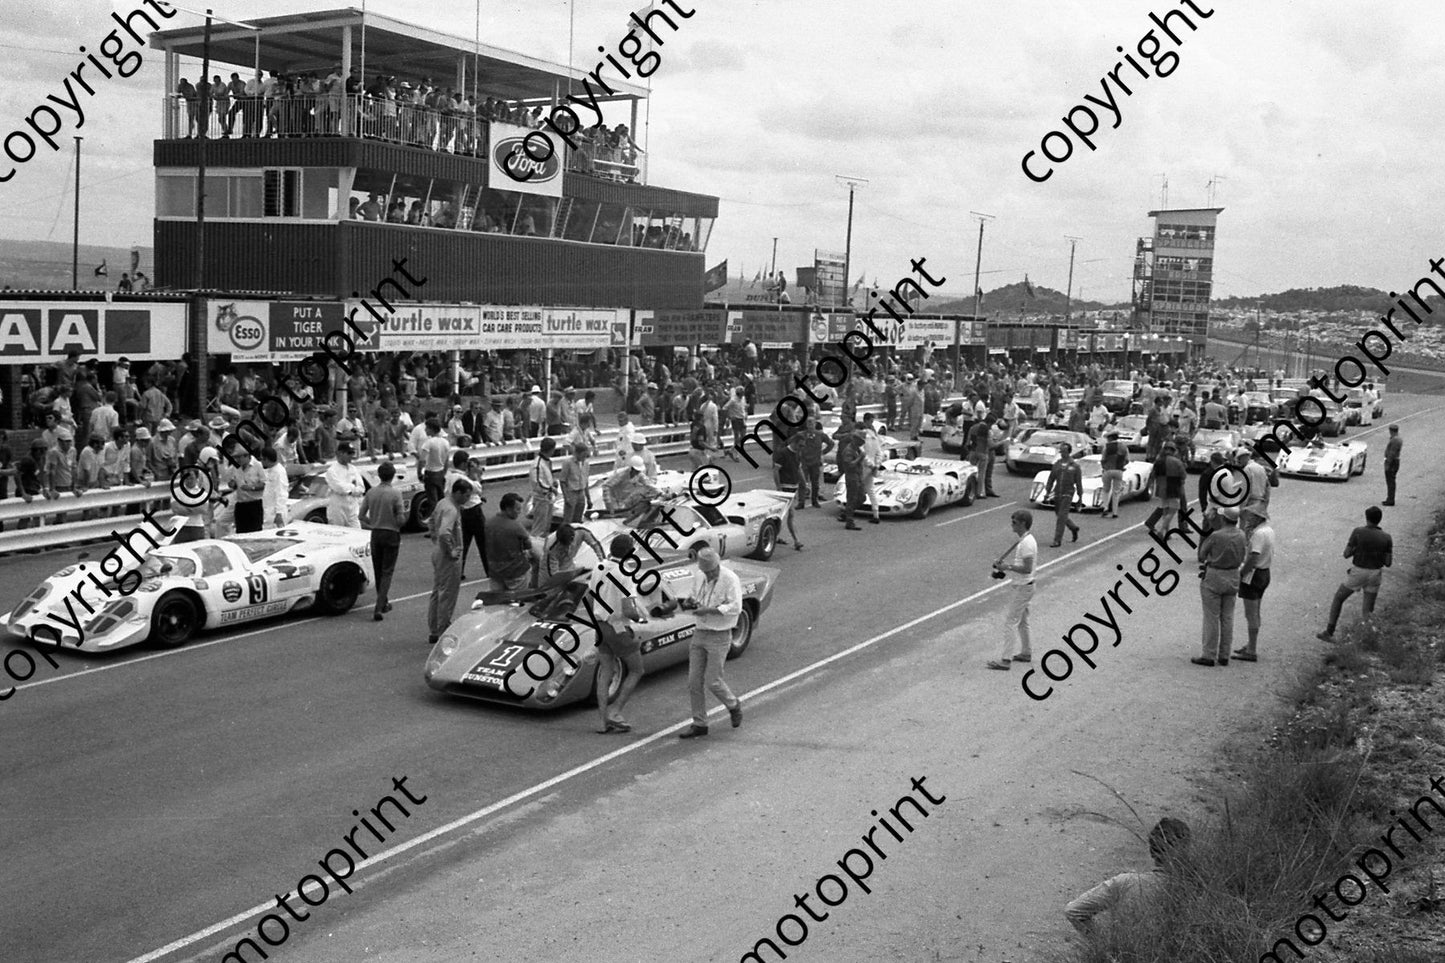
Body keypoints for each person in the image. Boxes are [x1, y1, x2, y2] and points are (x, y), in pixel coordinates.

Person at [1065, 817, 1192, 935]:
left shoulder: (1125, 882)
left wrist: (1104, 946)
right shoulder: (1195, 889)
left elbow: (1073, 911)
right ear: (1187, 850)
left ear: (1152, 851)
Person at [677, 548, 744, 739]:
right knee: (693, 681)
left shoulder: (730, 579)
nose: (709, 575)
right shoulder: (699, 576)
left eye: (712, 571)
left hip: (720, 635)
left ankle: (733, 705)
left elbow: (735, 607)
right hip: (700, 632)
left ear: (718, 565)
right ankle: (700, 723)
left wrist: (710, 610)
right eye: (706, 572)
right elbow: (694, 595)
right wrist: (690, 604)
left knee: (713, 680)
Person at [592, 534, 653, 734]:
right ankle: (615, 711)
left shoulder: (598, 567)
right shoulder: (624, 575)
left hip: (599, 624)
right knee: (636, 669)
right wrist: (640, 619)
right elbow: (628, 609)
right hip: (617, 626)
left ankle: (602, 720)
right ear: (630, 553)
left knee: (606, 671)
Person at [1317, 505, 1392, 642]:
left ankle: (1329, 631)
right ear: (1379, 520)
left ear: (1367, 518)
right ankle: (1366, 639)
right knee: (1367, 611)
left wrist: (1357, 550)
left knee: (1339, 598)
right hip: (1375, 573)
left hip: (1359, 571)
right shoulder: (1386, 537)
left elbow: (1346, 554)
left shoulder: (1358, 532)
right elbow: (1388, 562)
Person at [1192, 506, 1247, 667]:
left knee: (1211, 616)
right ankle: (1224, 653)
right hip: (1233, 575)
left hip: (1215, 574)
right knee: (1227, 616)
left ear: (1224, 519)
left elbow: (1202, 554)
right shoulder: (1241, 535)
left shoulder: (1216, 536)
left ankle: (1209, 653)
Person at [987, 510, 1037, 671]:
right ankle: (1026, 652)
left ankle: (1006, 660)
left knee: (1010, 622)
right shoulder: (1025, 540)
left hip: (1023, 586)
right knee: (1022, 621)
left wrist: (1006, 567)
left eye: (1014, 522)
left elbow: (1027, 568)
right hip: (1026, 585)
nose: (1012, 524)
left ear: (1023, 523)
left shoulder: (1026, 543)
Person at [359, 460, 406, 621]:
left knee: (378, 570)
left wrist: (373, 523)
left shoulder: (371, 492)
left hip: (376, 533)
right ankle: (379, 606)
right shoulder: (395, 494)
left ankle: (383, 601)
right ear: (392, 476)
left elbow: (361, 516)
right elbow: (400, 519)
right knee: (387, 571)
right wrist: (398, 521)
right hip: (391, 532)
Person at [425, 479, 468, 645]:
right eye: (466, 495)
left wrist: (435, 539)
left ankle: (434, 628)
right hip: (447, 555)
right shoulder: (451, 509)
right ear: (458, 493)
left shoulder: (442, 503)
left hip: (437, 551)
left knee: (437, 591)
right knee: (447, 593)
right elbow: (444, 532)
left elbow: (431, 522)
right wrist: (450, 549)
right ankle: (443, 628)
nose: (467, 499)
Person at [1233, 506, 1274, 662]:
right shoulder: (1269, 530)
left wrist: (1242, 572)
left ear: (1257, 517)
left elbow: (1254, 557)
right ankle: (1251, 644)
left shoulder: (1258, 534)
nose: (1248, 519)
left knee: (1251, 613)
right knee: (1255, 611)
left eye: (1251, 516)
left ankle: (1251, 650)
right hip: (1265, 572)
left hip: (1254, 574)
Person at [484, 492, 538, 591]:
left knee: (497, 600)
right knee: (519, 600)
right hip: (515, 572)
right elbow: (528, 546)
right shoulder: (516, 526)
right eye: (517, 509)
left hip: (495, 572)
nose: (519, 512)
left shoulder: (488, 524)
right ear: (508, 509)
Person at [450, 453, 487, 579]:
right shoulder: (464, 479)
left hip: (461, 512)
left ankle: (459, 571)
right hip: (473, 510)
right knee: (483, 542)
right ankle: (489, 570)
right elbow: (478, 488)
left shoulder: (450, 476)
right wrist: (475, 475)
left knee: (463, 543)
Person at [787, 419, 833, 509]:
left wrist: (823, 452)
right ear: (806, 424)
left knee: (815, 483)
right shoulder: (801, 434)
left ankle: (814, 500)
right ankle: (801, 502)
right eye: (808, 423)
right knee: (802, 482)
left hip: (815, 462)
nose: (810, 425)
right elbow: (790, 442)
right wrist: (797, 452)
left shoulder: (820, 435)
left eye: (812, 423)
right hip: (804, 462)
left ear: (815, 424)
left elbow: (831, 443)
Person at [1043, 442, 1082, 547]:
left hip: (1068, 493)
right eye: (1061, 451)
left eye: (1064, 451)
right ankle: (1073, 527)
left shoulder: (1075, 466)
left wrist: (1080, 497)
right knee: (1060, 514)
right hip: (1057, 493)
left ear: (1068, 452)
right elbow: (1051, 479)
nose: (1062, 453)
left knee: (1061, 517)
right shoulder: (1057, 464)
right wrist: (1047, 491)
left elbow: (1078, 482)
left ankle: (1057, 540)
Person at [1145, 443, 1187, 537]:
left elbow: (1152, 475)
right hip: (1173, 488)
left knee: (1165, 510)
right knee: (1173, 510)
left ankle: (1167, 533)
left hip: (1161, 488)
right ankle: (1161, 530)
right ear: (1173, 451)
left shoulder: (1158, 461)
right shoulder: (1177, 462)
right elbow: (1183, 475)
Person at [324, 441, 365, 527]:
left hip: (352, 510)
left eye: (352, 453)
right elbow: (339, 488)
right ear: (340, 453)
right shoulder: (332, 471)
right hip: (337, 509)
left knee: (357, 534)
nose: (351, 456)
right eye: (348, 453)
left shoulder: (353, 469)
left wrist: (349, 489)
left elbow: (361, 488)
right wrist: (353, 488)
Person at [228, 443, 267, 533]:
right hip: (241, 504)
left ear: (246, 456)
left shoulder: (258, 466)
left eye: (239, 457)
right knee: (240, 531)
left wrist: (251, 487)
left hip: (254, 504)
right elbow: (232, 481)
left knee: (255, 531)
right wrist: (232, 484)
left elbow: (264, 484)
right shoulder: (235, 467)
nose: (237, 460)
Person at [836, 422, 866, 532]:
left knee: (861, 498)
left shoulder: (857, 449)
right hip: (851, 476)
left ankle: (847, 513)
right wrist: (860, 458)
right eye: (860, 440)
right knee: (852, 498)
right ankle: (849, 520)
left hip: (858, 475)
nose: (861, 443)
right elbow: (849, 465)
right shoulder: (849, 450)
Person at [528, 437, 558, 537]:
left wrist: (553, 483)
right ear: (550, 449)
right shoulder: (537, 464)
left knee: (546, 526)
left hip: (547, 498)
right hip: (541, 498)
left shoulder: (547, 461)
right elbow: (537, 483)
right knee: (539, 527)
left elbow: (547, 477)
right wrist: (551, 488)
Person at [559, 441, 590, 524]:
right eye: (583, 455)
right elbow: (562, 480)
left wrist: (588, 497)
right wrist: (566, 497)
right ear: (577, 453)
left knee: (579, 518)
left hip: (581, 491)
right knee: (568, 518)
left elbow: (586, 480)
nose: (584, 458)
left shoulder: (586, 463)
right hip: (571, 492)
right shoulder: (568, 463)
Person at [1100, 430, 1127, 518]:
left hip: (1108, 470)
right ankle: (1115, 512)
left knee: (1106, 490)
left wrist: (1104, 466)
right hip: (1119, 470)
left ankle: (1105, 508)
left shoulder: (1106, 447)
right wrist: (1122, 465)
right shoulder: (1124, 447)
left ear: (1110, 438)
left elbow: (1103, 459)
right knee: (1116, 492)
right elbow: (1127, 460)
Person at [260, 446, 288, 528]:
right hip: (268, 511)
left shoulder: (279, 472)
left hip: (275, 514)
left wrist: (279, 514)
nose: (261, 461)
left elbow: (282, 494)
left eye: (262, 459)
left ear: (266, 459)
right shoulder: (269, 470)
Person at [1383, 424, 1402, 505]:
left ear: (1391, 431)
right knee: (1391, 481)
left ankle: (1390, 499)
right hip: (1394, 461)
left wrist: (1388, 463)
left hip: (1392, 462)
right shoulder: (1397, 439)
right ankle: (1390, 498)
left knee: (1390, 481)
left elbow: (1392, 453)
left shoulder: (1395, 440)